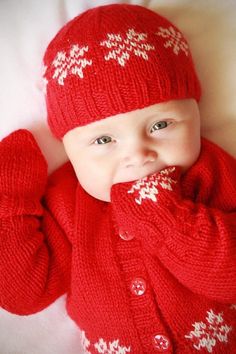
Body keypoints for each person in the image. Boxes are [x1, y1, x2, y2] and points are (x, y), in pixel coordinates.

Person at [0, 4, 235, 353]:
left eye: (160, 125)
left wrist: (160, 214)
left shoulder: (210, 172)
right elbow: (25, 295)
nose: (138, 155)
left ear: (195, 112)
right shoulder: (69, 201)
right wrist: (10, 201)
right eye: (103, 140)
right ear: (69, 147)